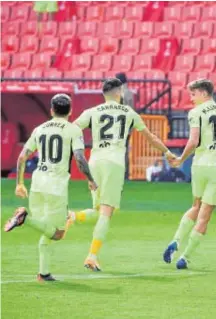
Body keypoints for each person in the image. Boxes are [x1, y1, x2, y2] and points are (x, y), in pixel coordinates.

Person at [68, 78, 176, 271]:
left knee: (99, 210)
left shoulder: (92, 112)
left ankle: (72, 217)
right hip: (114, 163)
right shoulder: (129, 112)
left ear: (104, 94)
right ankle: (92, 256)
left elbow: (72, 129)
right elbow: (150, 137)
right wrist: (167, 152)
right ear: (119, 93)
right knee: (107, 212)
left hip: (94, 161)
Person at [3, 94, 97, 282]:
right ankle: (25, 218)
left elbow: (22, 157)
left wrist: (20, 183)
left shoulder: (40, 129)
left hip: (37, 182)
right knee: (58, 233)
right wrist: (91, 179)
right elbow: (79, 158)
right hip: (56, 185)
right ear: (70, 111)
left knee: (47, 228)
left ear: (51, 110)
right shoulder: (74, 130)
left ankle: (43, 273)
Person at [162, 79, 216, 269]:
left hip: (200, 165)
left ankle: (176, 240)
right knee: (205, 215)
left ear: (204, 94)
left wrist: (181, 159)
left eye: (193, 94)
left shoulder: (196, 113)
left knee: (196, 205)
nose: (191, 98)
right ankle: (186, 257)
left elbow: (193, 141)